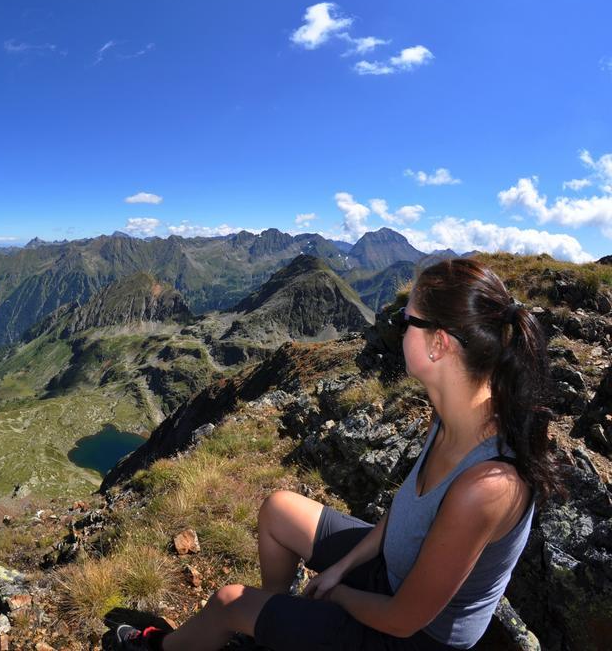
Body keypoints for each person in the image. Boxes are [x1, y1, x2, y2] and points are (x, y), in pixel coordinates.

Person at [116, 258, 559, 651]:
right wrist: (345, 565)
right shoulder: (453, 414)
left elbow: (404, 620)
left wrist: (335, 590)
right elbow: (408, 513)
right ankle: (272, 626)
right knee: (277, 510)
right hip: (393, 573)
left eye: (408, 320)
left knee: (228, 601)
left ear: (438, 343)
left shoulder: (487, 486)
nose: (399, 328)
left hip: (412, 636)